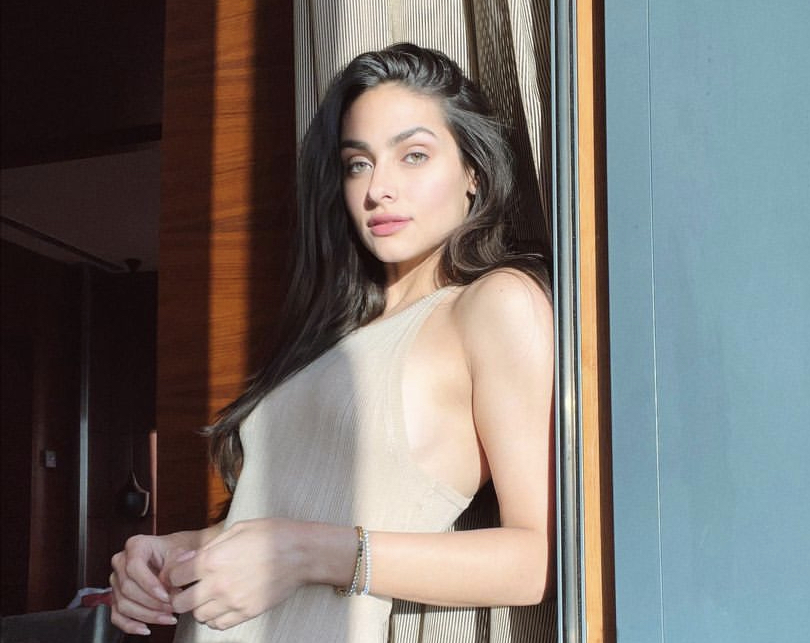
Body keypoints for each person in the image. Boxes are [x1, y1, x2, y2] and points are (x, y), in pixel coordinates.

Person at [110, 42, 555, 642]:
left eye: (414, 155)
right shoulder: (337, 332)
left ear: (473, 172)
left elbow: (534, 561)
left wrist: (308, 552)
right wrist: (177, 553)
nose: (379, 189)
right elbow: (283, 521)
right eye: (358, 163)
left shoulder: (493, 304)